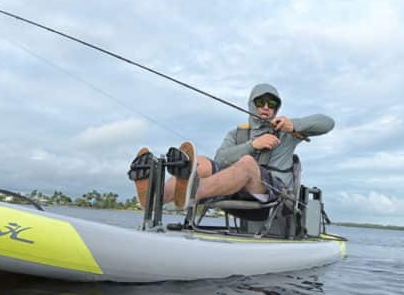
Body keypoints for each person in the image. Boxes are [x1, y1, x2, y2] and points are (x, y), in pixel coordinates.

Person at [129, 83, 334, 210]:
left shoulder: (288, 129)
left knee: (246, 163)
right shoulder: (236, 133)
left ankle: (192, 193)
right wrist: (253, 144)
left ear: (276, 108)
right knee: (199, 162)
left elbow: (327, 123)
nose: (265, 107)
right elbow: (221, 159)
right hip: (232, 185)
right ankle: (153, 200)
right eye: (261, 101)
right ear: (252, 104)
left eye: (272, 104)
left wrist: (294, 125)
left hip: (272, 191)